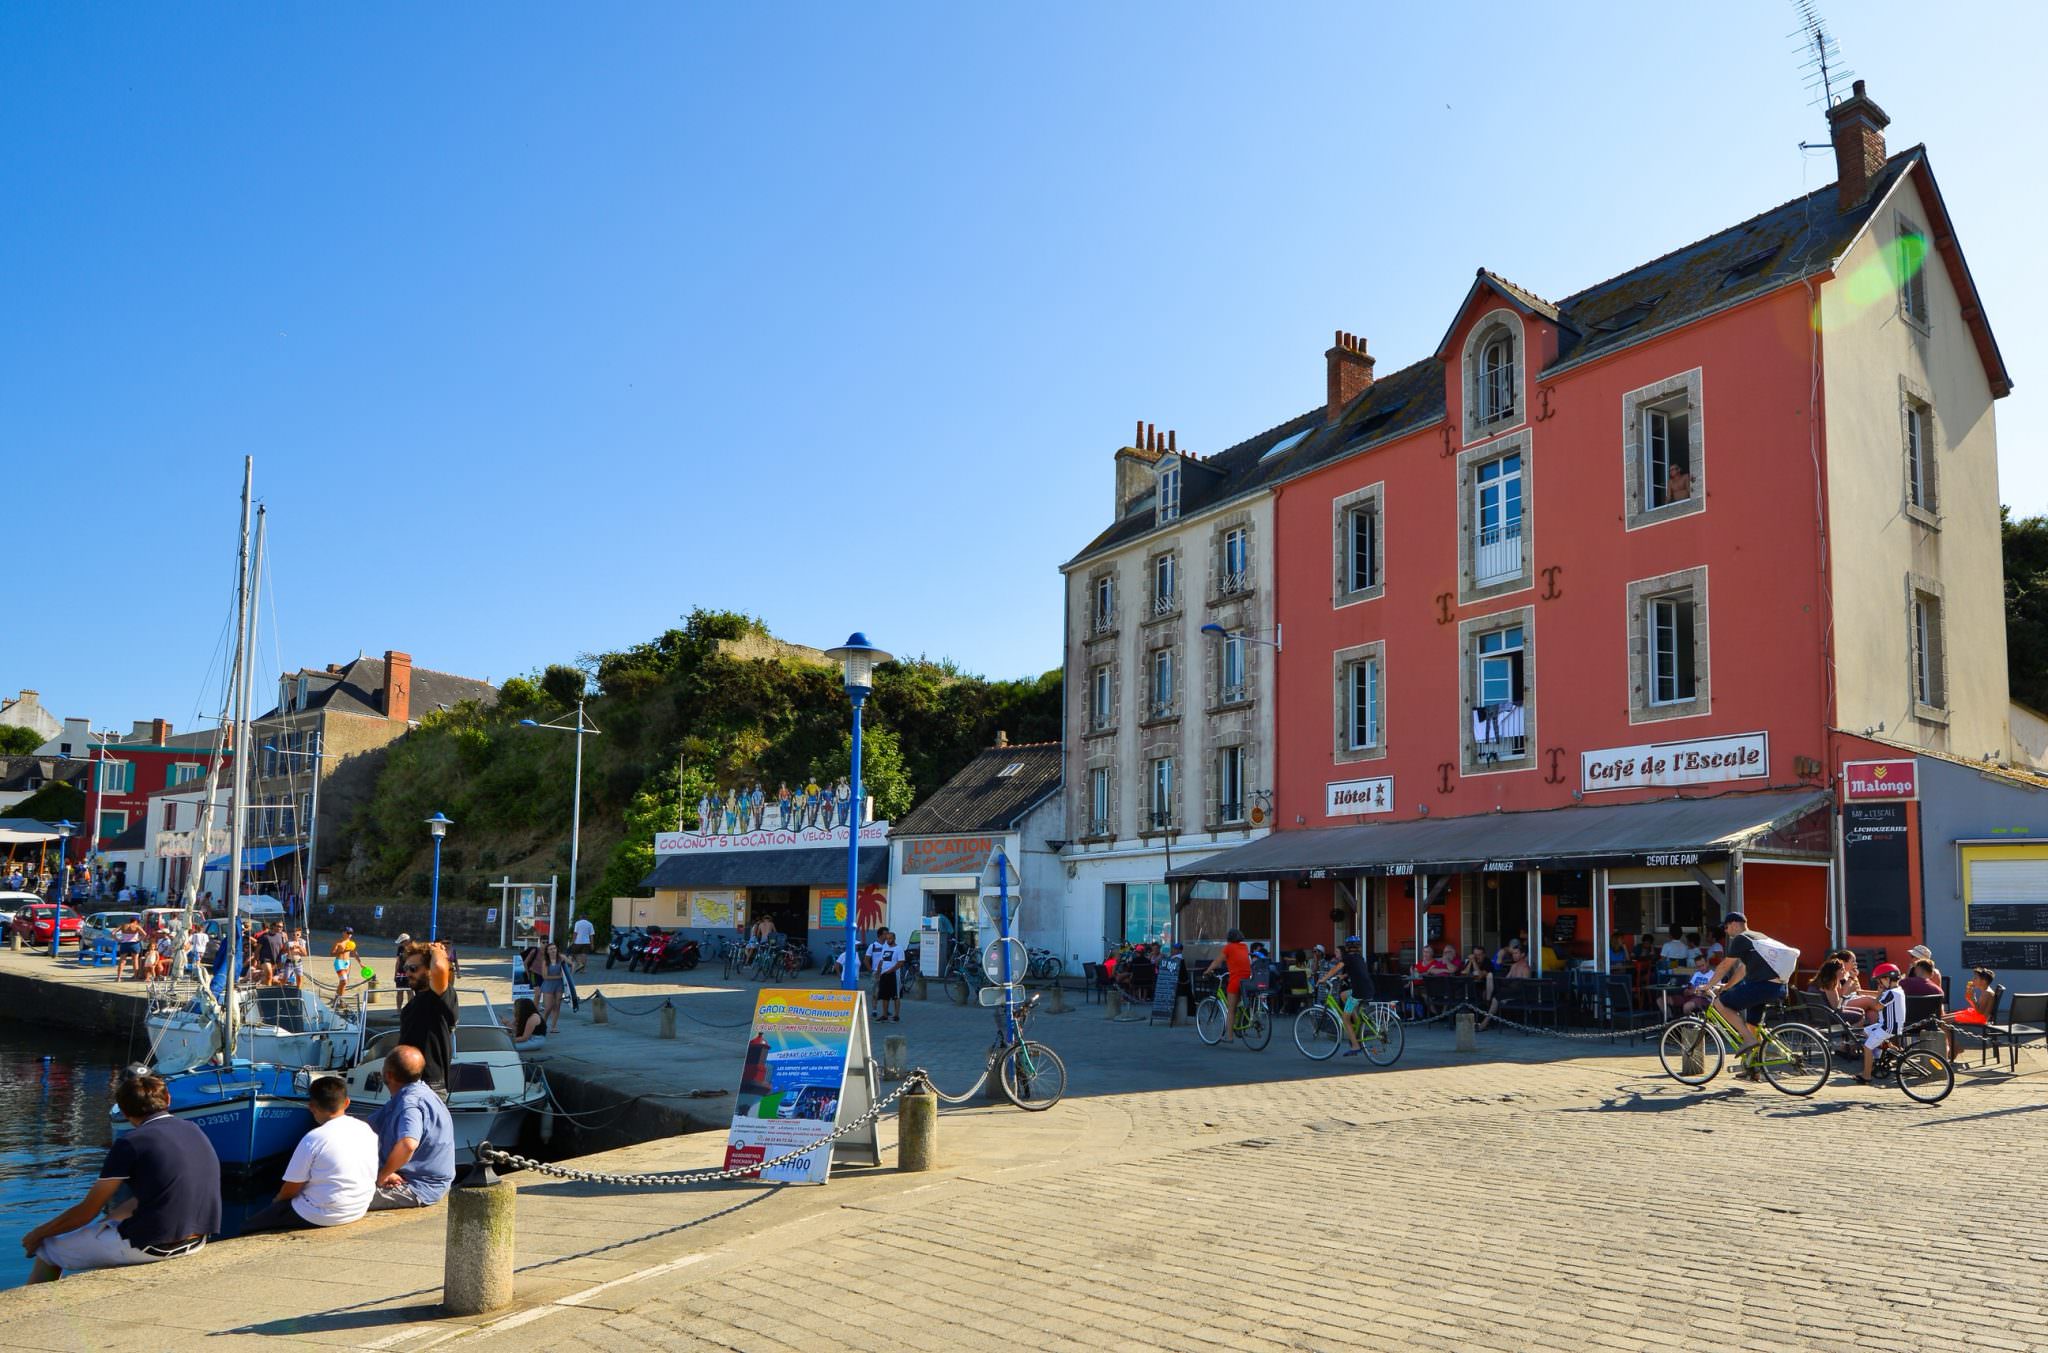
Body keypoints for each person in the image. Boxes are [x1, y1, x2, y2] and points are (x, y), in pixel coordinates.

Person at [23, 1071, 220, 1282]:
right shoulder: (193, 1129)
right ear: (168, 1100)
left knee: (47, 1250)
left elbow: (86, 1212)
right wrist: (109, 1220)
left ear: (124, 1111)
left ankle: (37, 1310)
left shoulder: (131, 1143)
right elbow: (161, 1193)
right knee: (123, 1210)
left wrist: (38, 1234)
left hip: (152, 1246)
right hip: (197, 1240)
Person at [241, 1076, 378, 1233]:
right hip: (358, 1208)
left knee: (249, 1226)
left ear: (312, 1106)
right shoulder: (365, 1129)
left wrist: (276, 1202)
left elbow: (291, 1188)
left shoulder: (314, 1138)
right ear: (347, 1102)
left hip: (320, 1214)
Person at [367, 1046, 457, 1210]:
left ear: (388, 1075)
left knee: (339, 1198)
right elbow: (367, 1126)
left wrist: (382, 1176)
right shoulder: (418, 1092)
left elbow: (408, 1144)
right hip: (412, 1178)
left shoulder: (410, 1104)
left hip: (417, 1186)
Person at [1703, 912, 1791, 1065]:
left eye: (1726, 926)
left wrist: (1708, 986)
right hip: (1778, 987)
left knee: (1720, 1003)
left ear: (1735, 924)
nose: (1725, 930)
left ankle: (1749, 1040)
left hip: (1762, 986)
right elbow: (1743, 969)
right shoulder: (1758, 937)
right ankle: (1753, 1067)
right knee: (1752, 1025)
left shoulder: (1741, 939)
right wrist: (1727, 986)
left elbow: (1725, 965)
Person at [397, 940, 459, 1096]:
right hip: (407, 1084)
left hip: (430, 1086)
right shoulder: (413, 1004)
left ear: (429, 970)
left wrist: (437, 950)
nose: (408, 973)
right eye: (406, 968)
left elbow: (439, 968)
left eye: (413, 968)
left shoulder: (440, 997)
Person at [1858, 962, 1909, 1084]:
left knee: (1867, 1047)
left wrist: (1879, 993)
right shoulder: (1898, 990)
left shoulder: (1891, 993)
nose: (1879, 984)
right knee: (1865, 1032)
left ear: (1887, 979)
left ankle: (1866, 1075)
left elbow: (1876, 1007)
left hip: (1888, 1028)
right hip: (1888, 1025)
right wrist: (1879, 993)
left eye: (1880, 981)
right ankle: (1889, 1048)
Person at [1202, 929, 1253, 1043]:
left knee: (1231, 1009)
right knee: (1239, 1003)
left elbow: (1217, 962)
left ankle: (1229, 1037)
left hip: (1236, 980)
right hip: (1247, 980)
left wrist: (1208, 970)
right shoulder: (1244, 947)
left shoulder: (1228, 948)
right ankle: (1240, 1023)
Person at [1334, 936, 1377, 1054]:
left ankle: (1355, 1045)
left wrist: (1323, 979)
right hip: (1368, 989)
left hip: (1357, 993)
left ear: (1347, 947)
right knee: (1343, 995)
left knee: (1345, 1018)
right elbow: (1358, 971)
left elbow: (1336, 968)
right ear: (1358, 947)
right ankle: (1357, 1021)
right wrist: (1344, 976)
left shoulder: (1347, 957)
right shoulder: (1359, 958)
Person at [872, 928, 904, 1022]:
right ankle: (884, 1015)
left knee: (895, 995)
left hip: (893, 974)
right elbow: (881, 961)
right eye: (887, 938)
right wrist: (878, 972)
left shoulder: (899, 949)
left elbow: (901, 962)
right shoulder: (885, 948)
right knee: (884, 995)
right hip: (883, 974)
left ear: (894, 939)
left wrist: (890, 971)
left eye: (890, 938)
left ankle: (896, 1015)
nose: (888, 940)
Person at [536, 941, 567, 1034]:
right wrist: (560, 976)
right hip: (548, 985)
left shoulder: (561, 958)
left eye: (554, 948)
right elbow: (545, 976)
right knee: (548, 1008)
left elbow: (572, 964)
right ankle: (542, 1026)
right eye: (551, 949)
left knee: (557, 1006)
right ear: (547, 951)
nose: (553, 950)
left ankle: (554, 1027)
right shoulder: (545, 961)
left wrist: (570, 973)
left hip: (559, 985)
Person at [256, 920, 289, 986]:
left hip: (277, 959)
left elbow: (285, 948)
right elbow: (257, 949)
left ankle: (265, 985)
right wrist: (257, 961)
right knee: (269, 975)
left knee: (273, 979)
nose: (280, 928)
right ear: (273, 926)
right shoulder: (264, 936)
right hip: (265, 958)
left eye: (282, 927)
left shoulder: (282, 935)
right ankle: (268, 990)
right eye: (278, 926)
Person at [331, 927, 358, 1003]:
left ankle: (337, 998)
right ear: (343, 933)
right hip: (339, 962)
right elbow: (332, 953)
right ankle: (341, 1001)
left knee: (342, 983)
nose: (350, 934)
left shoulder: (351, 943)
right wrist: (343, 951)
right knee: (344, 981)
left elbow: (355, 953)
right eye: (348, 933)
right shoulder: (338, 942)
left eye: (351, 933)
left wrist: (360, 963)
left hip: (347, 963)